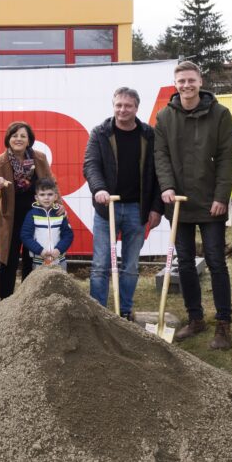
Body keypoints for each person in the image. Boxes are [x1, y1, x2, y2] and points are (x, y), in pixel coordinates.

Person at [154, 61, 232, 350]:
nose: (186, 85)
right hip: (178, 204)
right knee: (185, 263)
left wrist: (221, 196)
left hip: (211, 202)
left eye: (191, 80)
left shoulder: (220, 114)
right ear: (175, 84)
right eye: (181, 81)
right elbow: (160, 155)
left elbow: (228, 158)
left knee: (216, 261)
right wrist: (166, 187)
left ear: (200, 82)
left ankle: (224, 323)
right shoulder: (165, 117)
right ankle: (196, 318)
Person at [83, 87, 163, 319]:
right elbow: (90, 164)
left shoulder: (149, 135)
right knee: (100, 264)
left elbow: (159, 172)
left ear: (137, 108)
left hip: (137, 209)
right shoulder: (100, 133)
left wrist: (157, 207)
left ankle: (123, 311)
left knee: (130, 266)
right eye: (118, 105)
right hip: (106, 208)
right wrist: (99, 189)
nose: (122, 110)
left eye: (128, 106)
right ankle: (97, 314)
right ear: (113, 106)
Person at [0, 122, 53, 299]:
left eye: (23, 136)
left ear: (29, 140)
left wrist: (57, 204)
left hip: (35, 217)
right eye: (14, 135)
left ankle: (28, 299)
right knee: (9, 260)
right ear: (8, 139)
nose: (18, 139)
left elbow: (50, 184)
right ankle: (5, 300)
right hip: (11, 218)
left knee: (32, 258)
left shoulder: (40, 158)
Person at [20, 177, 74, 271]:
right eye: (42, 194)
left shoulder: (60, 214)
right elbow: (25, 236)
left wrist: (58, 250)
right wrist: (40, 250)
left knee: (60, 285)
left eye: (50, 194)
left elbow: (68, 235)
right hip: (39, 261)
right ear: (36, 197)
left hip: (59, 260)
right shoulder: (32, 215)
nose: (46, 198)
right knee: (40, 285)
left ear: (56, 197)